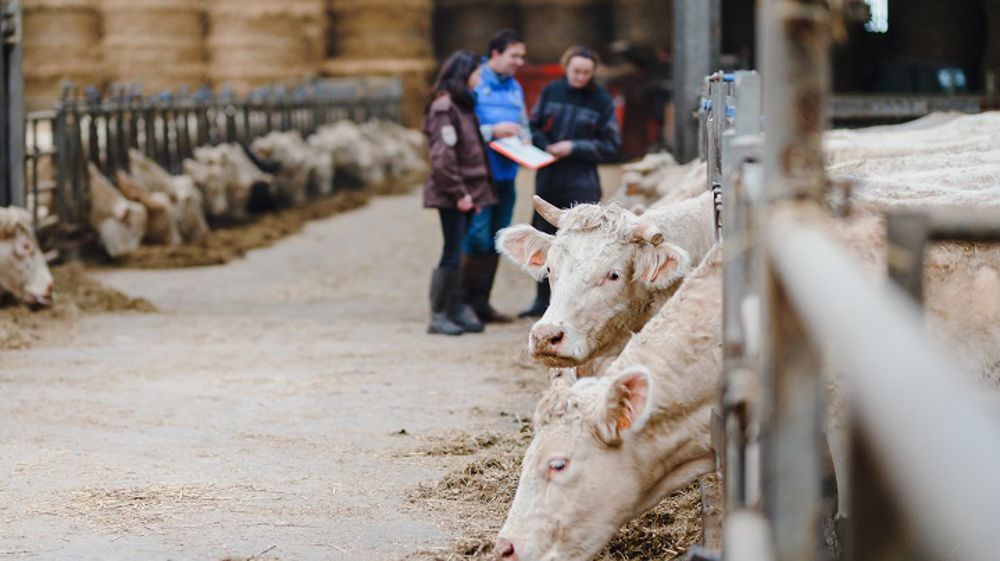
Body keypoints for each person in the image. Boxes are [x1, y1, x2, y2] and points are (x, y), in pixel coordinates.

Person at [520, 45, 623, 317]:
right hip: (549, 174)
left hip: (582, 179)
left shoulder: (601, 100)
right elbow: (534, 126)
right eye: (576, 71)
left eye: (586, 73)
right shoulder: (551, 92)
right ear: (566, 68)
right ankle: (541, 300)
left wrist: (574, 147)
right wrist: (547, 145)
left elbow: (611, 145)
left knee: (580, 242)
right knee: (545, 234)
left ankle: (576, 301)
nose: (580, 77)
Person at [422, 50, 496, 335]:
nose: (479, 79)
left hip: (466, 193)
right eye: (477, 73)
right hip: (451, 194)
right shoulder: (444, 108)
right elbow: (443, 157)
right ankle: (439, 313)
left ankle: (455, 308)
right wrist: (459, 193)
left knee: (457, 248)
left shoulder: (463, 105)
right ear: (464, 74)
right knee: (451, 251)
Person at [463, 29, 530, 324]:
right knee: (475, 239)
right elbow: (461, 129)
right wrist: (493, 132)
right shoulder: (474, 83)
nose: (519, 62)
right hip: (479, 174)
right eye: (514, 55)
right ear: (495, 54)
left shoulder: (516, 88)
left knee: (496, 240)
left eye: (522, 56)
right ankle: (461, 304)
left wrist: (526, 140)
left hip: (506, 173)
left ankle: (482, 304)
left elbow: (523, 124)